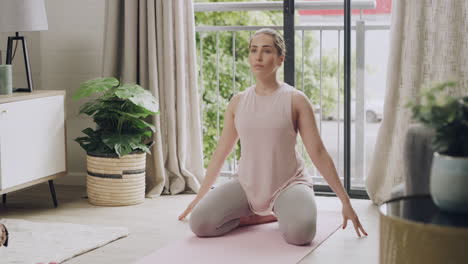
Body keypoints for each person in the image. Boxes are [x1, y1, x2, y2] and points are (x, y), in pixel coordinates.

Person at [179, 28, 368, 246]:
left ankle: (283, 211)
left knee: (301, 234)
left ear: (280, 58)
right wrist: (200, 197)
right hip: (248, 185)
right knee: (200, 224)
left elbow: (318, 152)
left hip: (288, 185)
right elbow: (221, 152)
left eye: (266, 51)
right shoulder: (238, 102)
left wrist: (345, 202)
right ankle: (258, 216)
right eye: (253, 50)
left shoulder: (296, 100)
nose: (258, 57)